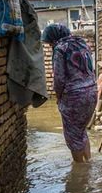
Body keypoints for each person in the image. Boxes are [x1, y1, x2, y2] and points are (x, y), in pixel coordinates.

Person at [42, 23, 98, 163]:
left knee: (73, 135)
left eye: (49, 43)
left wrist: (58, 97)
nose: (50, 46)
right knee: (81, 130)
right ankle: (89, 162)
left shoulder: (60, 49)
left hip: (74, 97)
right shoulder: (82, 43)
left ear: (55, 38)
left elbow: (59, 79)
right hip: (92, 92)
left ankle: (79, 170)